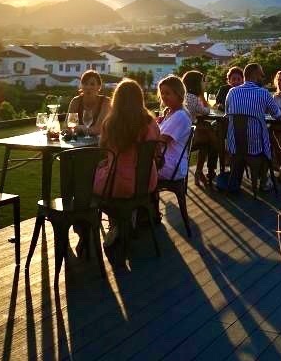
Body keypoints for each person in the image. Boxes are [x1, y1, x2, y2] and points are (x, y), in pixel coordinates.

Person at [86, 79, 159, 257]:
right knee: (118, 173)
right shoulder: (151, 123)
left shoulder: (110, 124)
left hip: (117, 183)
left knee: (91, 177)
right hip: (145, 182)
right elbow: (155, 151)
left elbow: (103, 151)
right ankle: (127, 218)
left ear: (116, 100)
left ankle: (114, 224)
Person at [225, 63, 281, 192]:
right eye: (261, 74)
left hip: (235, 144)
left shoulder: (232, 92)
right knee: (267, 141)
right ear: (256, 75)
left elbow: (228, 113)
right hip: (255, 145)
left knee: (259, 136)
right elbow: (277, 115)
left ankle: (238, 179)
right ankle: (264, 180)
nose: (263, 76)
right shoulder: (263, 93)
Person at [156, 75, 193, 184]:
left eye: (167, 93)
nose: (163, 96)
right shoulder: (170, 112)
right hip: (165, 160)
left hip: (171, 165)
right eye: (162, 93)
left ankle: (146, 199)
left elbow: (160, 141)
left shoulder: (180, 116)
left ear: (178, 94)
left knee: (135, 168)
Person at [182, 69, 214, 188]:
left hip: (182, 134)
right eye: (202, 82)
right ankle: (202, 171)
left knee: (206, 138)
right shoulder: (194, 98)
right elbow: (206, 111)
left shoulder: (183, 96)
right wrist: (203, 97)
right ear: (196, 84)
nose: (204, 84)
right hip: (187, 139)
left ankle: (200, 172)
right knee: (209, 139)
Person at [67, 70, 110, 136]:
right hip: (79, 143)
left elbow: (98, 129)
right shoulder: (76, 101)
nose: (88, 87)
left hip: (100, 143)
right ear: (81, 86)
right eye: (85, 84)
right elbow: (68, 127)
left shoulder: (105, 102)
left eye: (92, 84)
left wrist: (79, 128)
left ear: (99, 87)